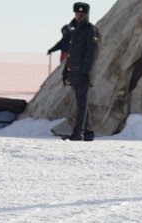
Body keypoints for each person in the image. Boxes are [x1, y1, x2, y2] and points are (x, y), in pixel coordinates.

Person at [62, 2, 100, 141]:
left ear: (86, 14)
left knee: (82, 104)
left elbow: (92, 53)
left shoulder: (91, 30)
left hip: (83, 73)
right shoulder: (75, 31)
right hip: (74, 71)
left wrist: (87, 72)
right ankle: (88, 133)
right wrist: (65, 71)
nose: (78, 16)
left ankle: (78, 133)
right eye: (77, 14)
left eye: (81, 14)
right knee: (81, 103)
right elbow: (71, 54)